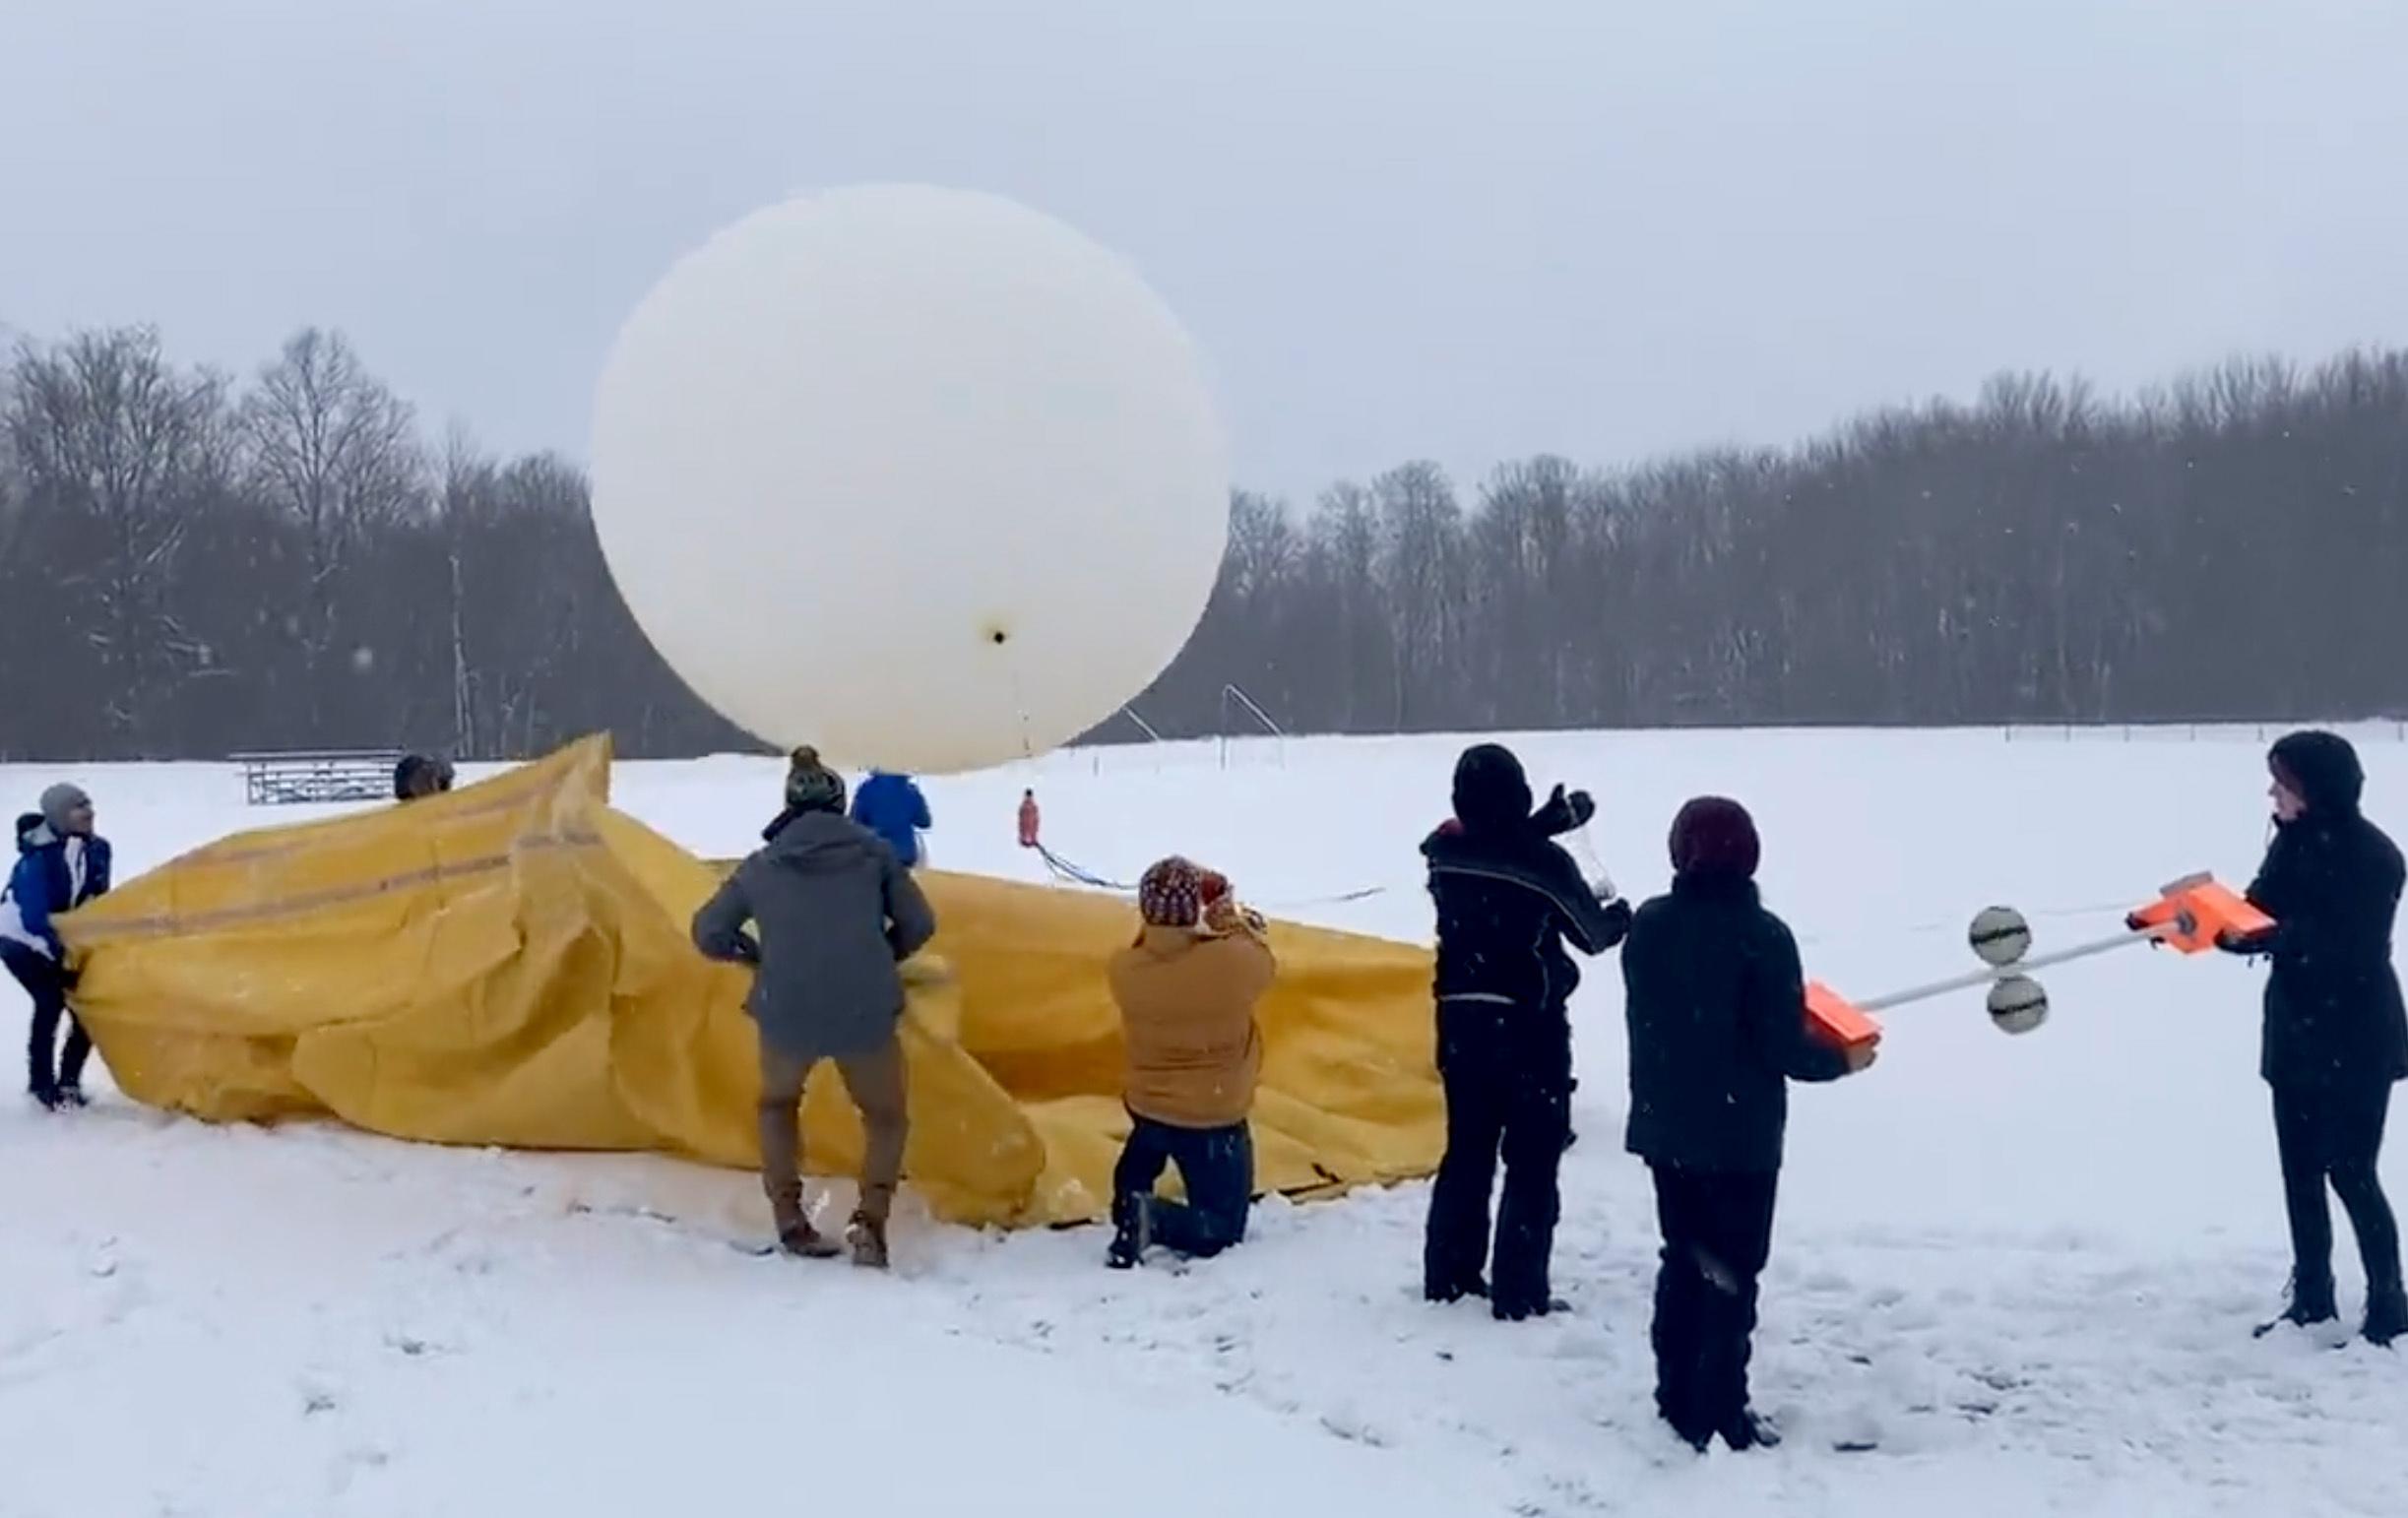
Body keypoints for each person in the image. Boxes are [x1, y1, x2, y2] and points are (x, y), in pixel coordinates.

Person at [1621, 796, 1876, 1452]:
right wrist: (1843, 1057)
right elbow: (1781, 1048)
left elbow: (1689, 1013)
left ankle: (1676, 1397)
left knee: (1684, 1260)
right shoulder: (1764, 936)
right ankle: (1719, 1411)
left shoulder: (1649, 927)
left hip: (1667, 1132)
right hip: (1740, 1142)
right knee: (1731, 1273)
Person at [692, 746, 937, 1267]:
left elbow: (707, 931)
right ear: (841, 802)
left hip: (786, 1009)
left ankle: (789, 1218)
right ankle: (870, 1220)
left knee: (778, 1105)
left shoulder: (762, 866)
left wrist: (756, 957)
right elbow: (921, 924)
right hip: (866, 1010)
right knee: (886, 1116)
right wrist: (880, 957)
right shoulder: (875, 855)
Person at [1421, 742, 1630, 1320]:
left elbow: (1493, 846)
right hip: (1527, 1025)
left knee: (1467, 1150)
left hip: (1459, 1021)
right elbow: (1590, 935)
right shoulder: (1542, 864)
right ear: (1520, 796)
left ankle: (1449, 1276)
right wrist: (1620, 916)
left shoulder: (1444, 853)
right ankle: (1519, 1291)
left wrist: (1546, 827)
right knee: (1533, 1160)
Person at [2213, 730, 2406, 1346]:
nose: (2273, 792)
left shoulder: (2376, 857)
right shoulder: (2292, 843)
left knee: (2351, 1169)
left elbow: (2349, 947)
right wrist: (2210, 926)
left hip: (2357, 1033)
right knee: (2298, 1169)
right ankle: (2313, 1297)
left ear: (2315, 789)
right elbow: (2260, 909)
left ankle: (2390, 1302)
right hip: (2297, 1031)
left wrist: (2275, 938)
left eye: (2284, 782)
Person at [1106, 856, 1277, 1268]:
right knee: (1222, 1225)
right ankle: (1154, 1219)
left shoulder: (1125, 969)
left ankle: (1129, 1199)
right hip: (1211, 1117)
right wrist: (1227, 914)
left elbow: (1153, 945)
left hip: (1148, 1105)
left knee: (1150, 1140)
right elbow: (1263, 956)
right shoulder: (1231, 963)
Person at [2, 785, 113, 1109]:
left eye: (89, 804)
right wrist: (59, 955)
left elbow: (98, 900)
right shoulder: (36, 860)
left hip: (65, 937)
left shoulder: (99, 849)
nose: (88, 812)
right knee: (50, 1002)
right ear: (59, 816)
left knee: (88, 1008)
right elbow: (33, 917)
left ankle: (68, 1084)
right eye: (78, 807)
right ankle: (41, 1087)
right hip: (20, 939)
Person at [850, 769, 931, 869]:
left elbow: (854, 822)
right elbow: (925, 822)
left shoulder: (866, 790)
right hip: (905, 854)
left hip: (875, 854)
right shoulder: (912, 791)